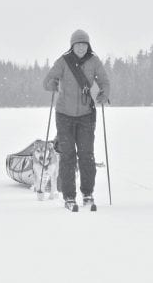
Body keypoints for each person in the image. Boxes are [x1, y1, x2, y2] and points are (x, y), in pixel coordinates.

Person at [43, 29, 110, 210]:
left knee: (86, 156)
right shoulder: (64, 61)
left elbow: (104, 81)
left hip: (86, 116)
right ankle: (69, 197)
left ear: (88, 46)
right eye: (77, 44)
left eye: (84, 44)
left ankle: (88, 194)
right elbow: (47, 80)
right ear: (72, 46)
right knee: (68, 157)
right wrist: (52, 84)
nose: (81, 47)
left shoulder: (94, 61)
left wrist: (104, 94)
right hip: (64, 115)